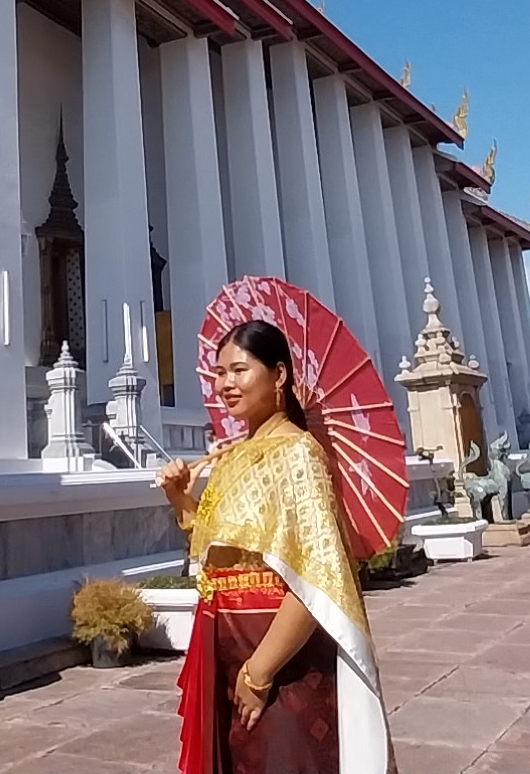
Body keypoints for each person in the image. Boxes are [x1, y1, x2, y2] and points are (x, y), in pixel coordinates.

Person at [157, 319, 390, 774]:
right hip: (225, 642)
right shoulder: (228, 457)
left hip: (279, 652)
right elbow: (215, 554)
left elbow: (317, 579)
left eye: (239, 370)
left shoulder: (299, 453)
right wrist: (180, 498)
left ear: (279, 376)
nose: (226, 383)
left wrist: (260, 672)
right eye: (219, 373)